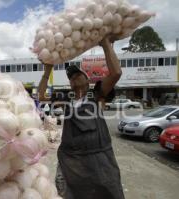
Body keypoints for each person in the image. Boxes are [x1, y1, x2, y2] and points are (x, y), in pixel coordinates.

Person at [38, 37, 125, 199]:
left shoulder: (98, 94)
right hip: (71, 161)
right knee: (67, 193)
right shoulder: (66, 98)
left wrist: (105, 44)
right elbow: (41, 96)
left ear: (88, 80)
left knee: (106, 192)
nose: (74, 77)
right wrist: (48, 70)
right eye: (71, 77)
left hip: (99, 159)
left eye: (78, 74)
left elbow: (116, 73)